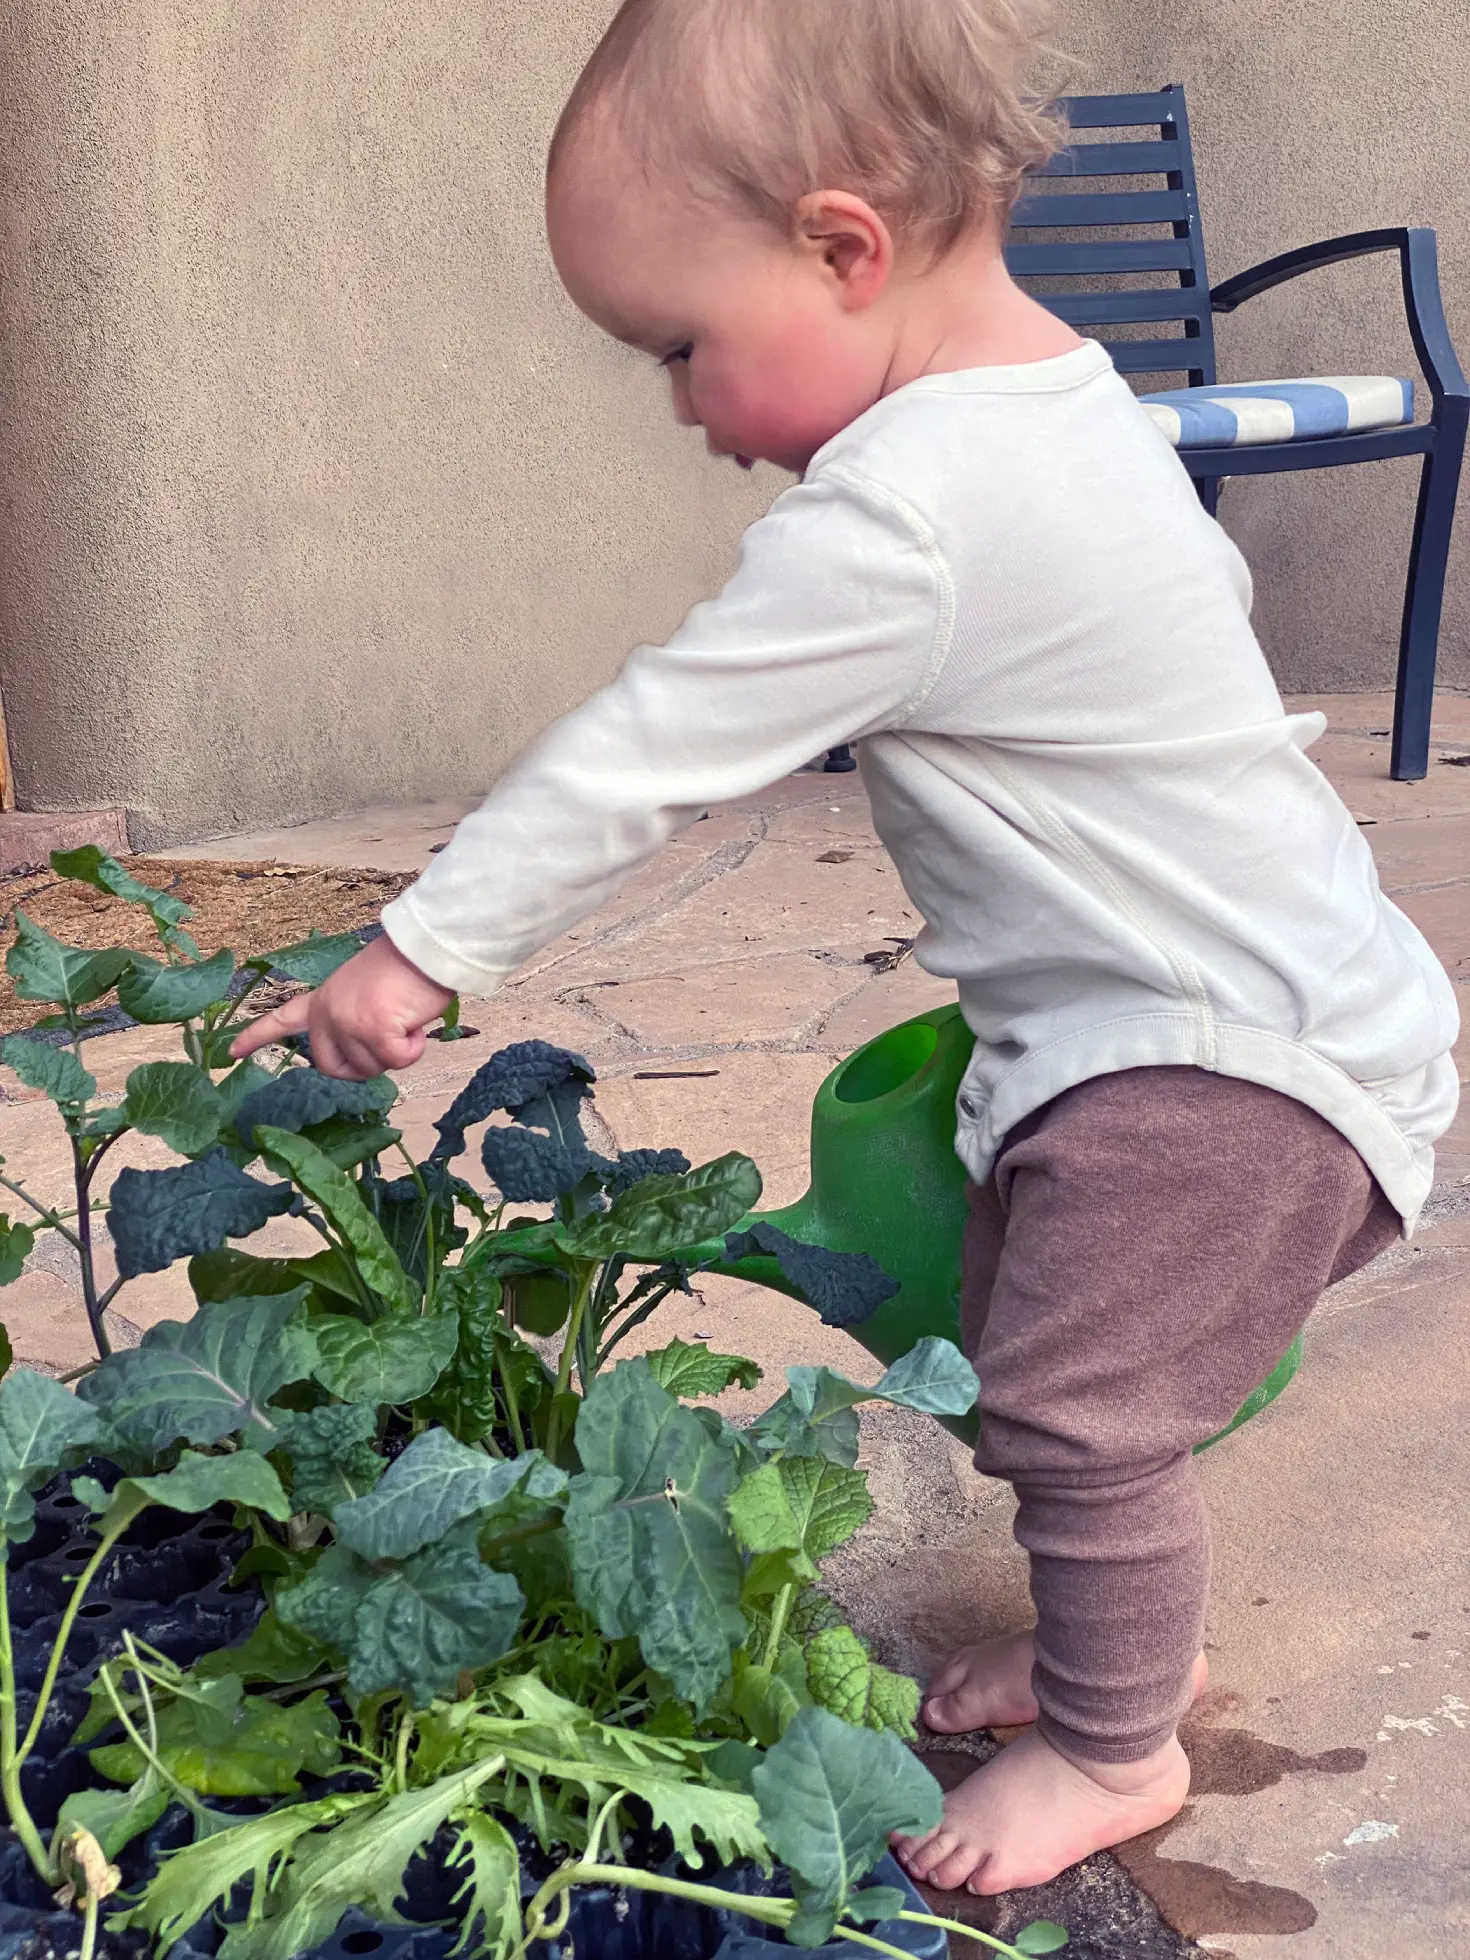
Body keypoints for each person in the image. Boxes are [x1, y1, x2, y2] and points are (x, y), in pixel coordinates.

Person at [232, 0, 1459, 1896]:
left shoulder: (907, 508)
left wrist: (417, 948)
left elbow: (649, 745)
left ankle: (1116, 1745)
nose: (683, 410)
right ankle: (1104, 1632)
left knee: (1072, 1398)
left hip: (1221, 1057)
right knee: (1034, 1323)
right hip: (1256, 1007)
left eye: (681, 347)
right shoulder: (1068, 406)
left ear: (840, 247)